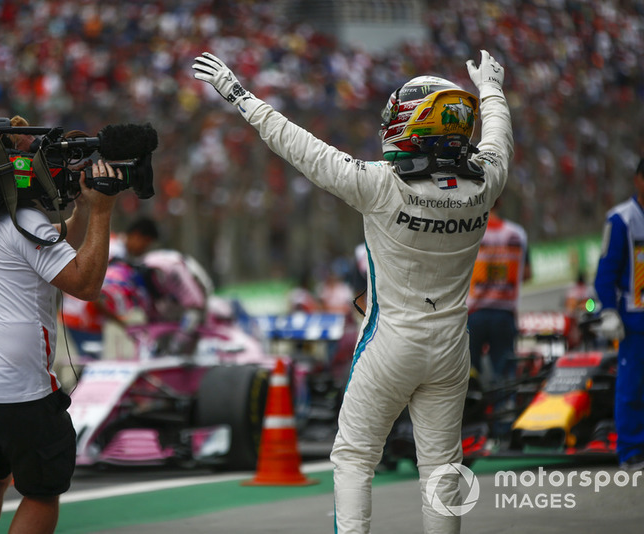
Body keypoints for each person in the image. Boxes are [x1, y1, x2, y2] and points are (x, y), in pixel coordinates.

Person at [193, 49, 512, 534]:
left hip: (391, 342)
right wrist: (491, 87)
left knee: (354, 456)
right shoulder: (486, 181)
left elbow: (297, 145)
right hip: (451, 347)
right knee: (443, 468)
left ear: (414, 124)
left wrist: (239, 94)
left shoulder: (379, 184)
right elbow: (498, 137)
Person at [0, 114, 126, 534]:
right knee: (41, 491)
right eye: (26, 155)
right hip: (17, 392)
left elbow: (49, 243)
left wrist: (79, 208)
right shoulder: (26, 224)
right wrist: (102, 212)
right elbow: (86, 284)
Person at [593, 154, 644, 471]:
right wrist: (608, 310)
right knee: (632, 388)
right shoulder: (621, 218)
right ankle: (632, 451)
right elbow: (606, 272)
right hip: (635, 320)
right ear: (637, 180)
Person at [61, 216, 159, 359]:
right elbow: (96, 292)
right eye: (146, 244)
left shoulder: (114, 247)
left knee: (88, 366)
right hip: (82, 317)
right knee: (90, 368)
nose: (145, 250)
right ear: (137, 235)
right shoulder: (113, 253)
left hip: (82, 315)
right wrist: (122, 323)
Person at [466, 199, 531, 387]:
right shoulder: (517, 234)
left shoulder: (471, 231)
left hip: (475, 312)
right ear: (500, 203)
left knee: (468, 371)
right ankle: (504, 411)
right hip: (505, 312)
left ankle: (472, 412)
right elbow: (526, 274)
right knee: (504, 373)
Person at [99, 248, 213, 356]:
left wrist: (177, 344)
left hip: (195, 287)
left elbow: (195, 307)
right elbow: (153, 322)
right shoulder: (143, 278)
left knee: (189, 329)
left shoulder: (171, 271)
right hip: (168, 294)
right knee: (161, 328)